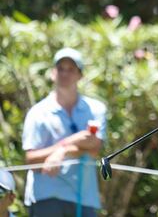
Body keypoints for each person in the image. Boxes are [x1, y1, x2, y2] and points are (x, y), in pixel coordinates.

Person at [22, 48, 107, 217]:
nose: (64, 74)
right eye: (60, 68)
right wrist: (76, 140)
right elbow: (31, 159)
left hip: (84, 198)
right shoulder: (38, 112)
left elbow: (94, 149)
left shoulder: (96, 109)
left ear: (80, 75)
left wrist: (63, 151)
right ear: (53, 73)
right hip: (46, 197)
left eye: (71, 69)